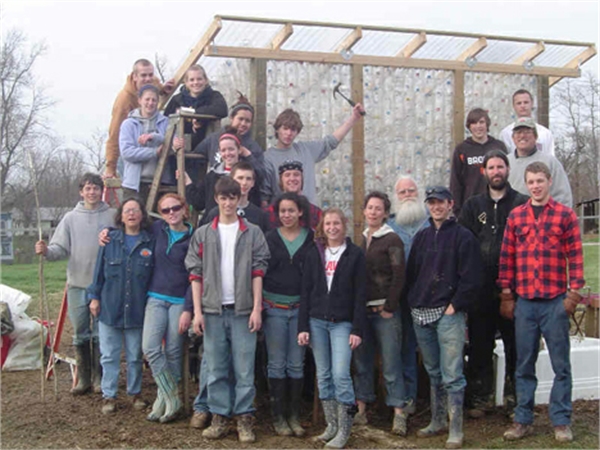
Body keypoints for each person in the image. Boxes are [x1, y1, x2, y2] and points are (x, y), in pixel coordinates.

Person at [498, 161, 584, 443]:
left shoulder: (565, 216)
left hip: (554, 302)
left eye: (540, 181)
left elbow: (577, 257)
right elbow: (506, 259)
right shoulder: (516, 217)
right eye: (531, 181)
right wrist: (507, 295)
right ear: (527, 184)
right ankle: (523, 419)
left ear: (549, 182)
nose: (536, 186)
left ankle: (561, 421)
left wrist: (573, 294)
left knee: (561, 365)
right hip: (525, 304)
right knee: (524, 364)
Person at [183, 162, 269, 430]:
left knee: (245, 369)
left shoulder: (252, 232)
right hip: (212, 311)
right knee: (217, 367)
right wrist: (197, 312)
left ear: (240, 197)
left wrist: (256, 308)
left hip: (243, 310)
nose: (229, 203)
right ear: (216, 199)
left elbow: (258, 271)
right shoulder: (203, 233)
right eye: (224, 197)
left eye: (233, 197)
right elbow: (195, 275)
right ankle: (219, 416)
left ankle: (244, 417)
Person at [404, 186, 483, 449]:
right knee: (433, 371)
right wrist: (413, 302)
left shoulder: (463, 237)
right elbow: (412, 273)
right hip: (421, 313)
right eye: (432, 202)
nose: (436, 207)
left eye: (441, 202)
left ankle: (456, 428)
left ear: (451, 204)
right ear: (427, 205)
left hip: (449, 314)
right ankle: (437, 420)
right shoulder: (422, 237)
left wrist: (455, 305)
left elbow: (472, 277)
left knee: (452, 374)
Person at [458, 150, 528, 418]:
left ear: (508, 170)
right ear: (483, 172)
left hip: (515, 290)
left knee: (516, 346)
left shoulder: (521, 204)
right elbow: (463, 247)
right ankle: (481, 397)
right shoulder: (473, 206)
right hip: (481, 290)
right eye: (492, 167)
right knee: (480, 344)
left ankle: (515, 400)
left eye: (501, 166)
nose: (496, 171)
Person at [34, 173, 115, 396]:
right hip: (78, 284)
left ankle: (101, 378)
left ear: (102, 191)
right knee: (81, 332)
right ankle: (84, 378)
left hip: (105, 285)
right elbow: (59, 248)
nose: (92, 192)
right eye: (88, 188)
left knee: (101, 333)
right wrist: (46, 251)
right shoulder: (71, 218)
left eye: (96, 188)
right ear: (81, 192)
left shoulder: (112, 215)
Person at [298, 208, 366, 449]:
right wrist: (303, 325)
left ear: (344, 225)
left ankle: (345, 429)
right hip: (316, 321)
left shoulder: (355, 254)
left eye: (337, 223)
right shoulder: (314, 253)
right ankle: (332, 425)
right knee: (324, 374)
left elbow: (360, 295)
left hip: (342, 323)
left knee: (340, 374)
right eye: (328, 224)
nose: (332, 228)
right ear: (322, 226)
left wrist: (357, 329)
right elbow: (305, 291)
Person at [87, 197, 154, 414]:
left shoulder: (149, 242)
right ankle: (109, 396)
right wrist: (94, 297)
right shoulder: (110, 240)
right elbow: (98, 273)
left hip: (137, 310)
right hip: (110, 307)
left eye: (135, 210)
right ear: (121, 217)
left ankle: (135, 393)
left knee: (135, 355)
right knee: (109, 355)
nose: (132, 214)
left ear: (142, 215)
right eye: (127, 211)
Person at [353, 191, 407, 435]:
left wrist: (389, 307)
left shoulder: (392, 239)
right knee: (362, 362)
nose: (373, 212)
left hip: (385, 312)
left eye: (378, 208)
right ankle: (362, 410)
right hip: (364, 313)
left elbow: (399, 275)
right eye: (369, 208)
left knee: (391, 363)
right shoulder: (363, 239)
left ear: (385, 213)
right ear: (364, 211)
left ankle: (398, 413)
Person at [262, 192, 314, 437]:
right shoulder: (270, 238)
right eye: (282, 211)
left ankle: (294, 416)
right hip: (274, 308)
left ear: (300, 212)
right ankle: (278, 416)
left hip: (300, 311)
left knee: (296, 363)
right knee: (277, 363)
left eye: (291, 210)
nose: (287, 215)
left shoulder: (311, 238)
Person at [387, 175, 430, 415]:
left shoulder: (431, 221)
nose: (407, 195)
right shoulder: (390, 226)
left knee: (432, 349)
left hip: (429, 299)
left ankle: (438, 402)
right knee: (405, 348)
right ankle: (408, 399)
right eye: (402, 192)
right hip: (400, 300)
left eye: (411, 190)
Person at [264, 104, 364, 204]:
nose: (289, 133)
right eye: (285, 128)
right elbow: (264, 196)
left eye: (293, 130)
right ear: (277, 129)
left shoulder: (306, 150)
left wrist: (354, 118)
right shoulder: (268, 158)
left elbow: (330, 142)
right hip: (284, 215)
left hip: (309, 214)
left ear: (297, 132)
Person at [192, 92, 267, 206]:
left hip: (242, 201)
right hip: (216, 196)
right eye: (240, 119)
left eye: (247, 121)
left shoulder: (253, 147)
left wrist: (248, 155)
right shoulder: (213, 138)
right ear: (232, 118)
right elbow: (196, 155)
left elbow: (261, 176)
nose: (243, 124)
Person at [104, 59, 174, 179]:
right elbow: (114, 133)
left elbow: (156, 85)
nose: (148, 79)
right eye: (143, 75)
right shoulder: (124, 101)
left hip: (151, 153)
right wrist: (110, 167)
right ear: (134, 76)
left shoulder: (153, 83)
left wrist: (162, 89)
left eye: (150, 75)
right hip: (132, 152)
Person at [184, 127, 262, 216]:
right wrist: (187, 181)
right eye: (223, 150)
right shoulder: (212, 175)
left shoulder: (247, 175)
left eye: (231, 149)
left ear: (239, 150)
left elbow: (260, 177)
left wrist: (248, 155)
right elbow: (198, 203)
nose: (227, 153)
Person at [449, 108, 507, 215]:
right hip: (471, 205)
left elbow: (507, 174)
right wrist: (457, 209)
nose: (478, 126)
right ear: (469, 126)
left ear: (487, 124)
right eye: (474, 123)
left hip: (497, 203)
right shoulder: (462, 149)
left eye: (481, 122)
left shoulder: (499, 146)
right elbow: (455, 181)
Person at [507, 117, 572, 208]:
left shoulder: (550, 162)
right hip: (513, 219)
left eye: (527, 132)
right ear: (513, 138)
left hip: (544, 219)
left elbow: (563, 196)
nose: (522, 136)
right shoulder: (505, 163)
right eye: (518, 132)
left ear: (535, 136)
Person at [119, 85, 168, 203]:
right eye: (147, 99)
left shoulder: (165, 122)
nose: (150, 103)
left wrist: (154, 137)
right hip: (133, 184)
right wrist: (154, 152)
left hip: (159, 182)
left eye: (154, 100)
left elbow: (171, 141)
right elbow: (127, 152)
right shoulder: (128, 124)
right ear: (140, 100)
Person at [165, 64, 228, 149]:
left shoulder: (214, 96)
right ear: (186, 83)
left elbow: (222, 110)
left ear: (206, 80)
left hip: (207, 146)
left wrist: (197, 115)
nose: (196, 82)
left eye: (199, 79)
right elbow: (165, 121)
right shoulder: (177, 100)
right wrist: (173, 140)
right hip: (180, 147)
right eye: (192, 80)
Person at [198, 161, 269, 232]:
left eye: (248, 179)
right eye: (240, 178)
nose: (244, 183)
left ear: (253, 183)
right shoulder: (216, 213)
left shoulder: (259, 215)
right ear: (231, 179)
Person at [265, 160, 322, 230]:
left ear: (302, 179)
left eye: (296, 175)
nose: (292, 179)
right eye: (287, 175)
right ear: (281, 180)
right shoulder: (269, 213)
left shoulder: (315, 212)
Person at [499, 89, 555, 155]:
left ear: (532, 103)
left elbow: (551, 158)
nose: (523, 106)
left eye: (526, 102)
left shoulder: (545, 133)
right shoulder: (506, 134)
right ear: (514, 106)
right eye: (519, 103)